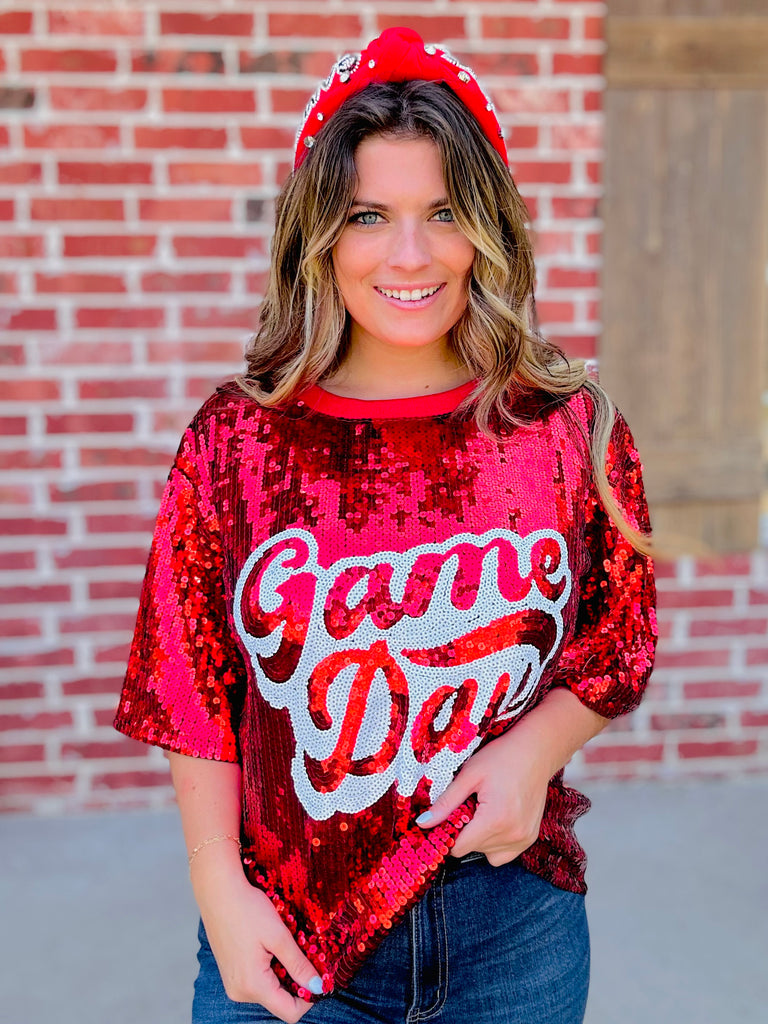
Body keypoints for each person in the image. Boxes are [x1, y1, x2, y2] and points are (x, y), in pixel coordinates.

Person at [114, 26, 657, 1024]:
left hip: (513, 927)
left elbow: (618, 641)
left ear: (487, 225)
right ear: (319, 231)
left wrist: (534, 755)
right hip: (291, 932)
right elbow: (188, 687)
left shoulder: (564, 426)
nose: (410, 254)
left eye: (443, 211)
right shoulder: (240, 440)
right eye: (368, 214)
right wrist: (218, 893)